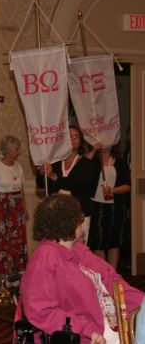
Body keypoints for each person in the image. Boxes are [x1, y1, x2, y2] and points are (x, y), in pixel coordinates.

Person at [21, 193, 144, 344]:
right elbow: (42, 311)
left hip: (116, 325)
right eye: (79, 216)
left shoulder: (79, 249)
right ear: (69, 222)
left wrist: (142, 302)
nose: (83, 219)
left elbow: (114, 283)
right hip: (89, 335)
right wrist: (86, 329)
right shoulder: (44, 258)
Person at [37, 124, 100, 242]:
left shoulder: (88, 164)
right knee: (56, 252)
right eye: (69, 136)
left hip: (79, 216)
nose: (72, 139)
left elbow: (77, 184)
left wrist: (54, 178)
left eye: (76, 137)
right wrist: (42, 173)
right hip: (55, 215)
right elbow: (41, 184)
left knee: (77, 254)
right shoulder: (54, 162)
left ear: (81, 142)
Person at [0, 135, 28, 285]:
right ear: (8, 150)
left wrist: (25, 209)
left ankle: (14, 278)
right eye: (16, 149)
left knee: (16, 243)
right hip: (2, 209)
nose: (18, 151)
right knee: (2, 243)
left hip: (16, 210)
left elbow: (21, 189)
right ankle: (2, 280)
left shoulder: (18, 166)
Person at [88, 145, 131, 269]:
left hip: (116, 207)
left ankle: (113, 274)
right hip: (96, 206)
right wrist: (93, 150)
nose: (105, 145)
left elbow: (128, 185)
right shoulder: (92, 161)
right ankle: (103, 273)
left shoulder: (120, 161)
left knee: (114, 241)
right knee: (97, 241)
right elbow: (82, 173)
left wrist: (113, 190)